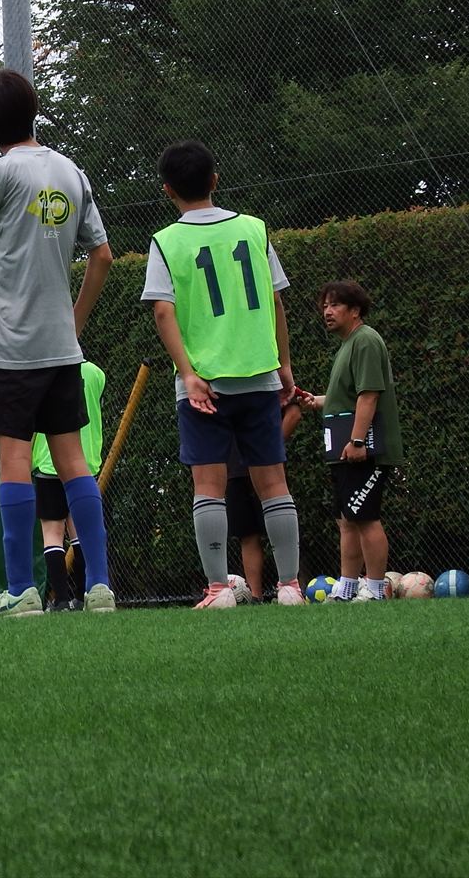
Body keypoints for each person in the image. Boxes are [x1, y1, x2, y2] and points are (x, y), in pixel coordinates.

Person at [0, 67, 116, 617]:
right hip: (61, 348)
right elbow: (102, 256)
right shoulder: (70, 171)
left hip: (8, 349)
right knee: (75, 463)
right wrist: (73, 323)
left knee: (14, 462)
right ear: (34, 110)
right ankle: (100, 588)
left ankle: (22, 591)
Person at [143, 140, 304, 608]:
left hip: (204, 384)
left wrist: (188, 373)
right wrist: (285, 365)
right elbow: (276, 301)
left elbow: (162, 311)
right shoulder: (255, 229)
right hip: (259, 374)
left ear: (167, 190)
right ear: (215, 179)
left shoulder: (165, 241)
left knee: (208, 487)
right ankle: (290, 587)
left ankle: (218, 589)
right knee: (273, 483)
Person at [298, 281, 401, 603]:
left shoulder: (365, 340)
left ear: (355, 310)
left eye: (335, 305)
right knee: (347, 520)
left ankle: (375, 589)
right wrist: (317, 401)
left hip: (364, 449)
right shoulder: (348, 344)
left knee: (365, 517)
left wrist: (357, 441)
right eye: (324, 306)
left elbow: (369, 395)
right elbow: (348, 397)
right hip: (344, 450)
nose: (327, 312)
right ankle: (347, 588)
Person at [33, 359, 105, 613]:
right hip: (85, 464)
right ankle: (85, 596)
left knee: (52, 533)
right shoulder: (96, 373)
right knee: (80, 531)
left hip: (48, 461)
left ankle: (61, 601)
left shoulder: (41, 371)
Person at [225, 401, 304, 601]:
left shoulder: (269, 384)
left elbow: (294, 412)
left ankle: (290, 589)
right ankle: (255, 597)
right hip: (234, 472)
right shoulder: (217, 388)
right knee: (247, 534)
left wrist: (269, 450)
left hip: (268, 472)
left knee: (281, 534)